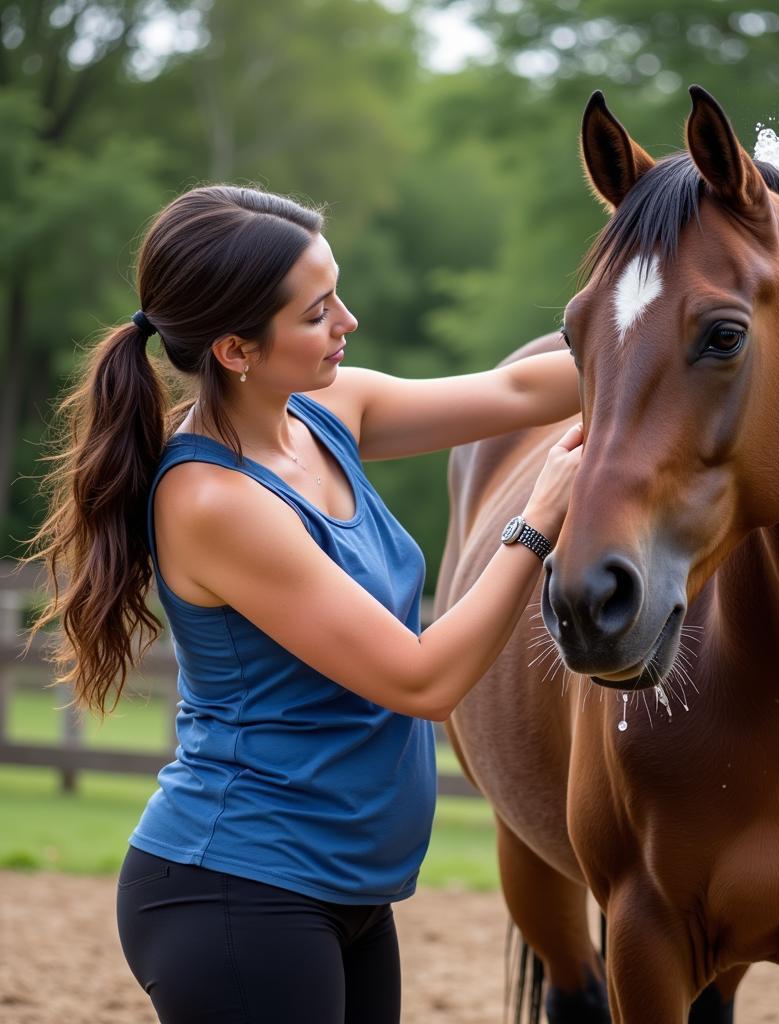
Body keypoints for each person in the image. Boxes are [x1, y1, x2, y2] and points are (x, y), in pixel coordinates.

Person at [27, 184, 582, 1023]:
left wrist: (673, 327)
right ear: (236, 350)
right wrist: (535, 521)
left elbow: (515, 397)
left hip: (341, 887)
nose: (347, 322)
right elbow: (423, 680)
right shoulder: (214, 502)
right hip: (239, 890)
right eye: (318, 312)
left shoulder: (327, 412)